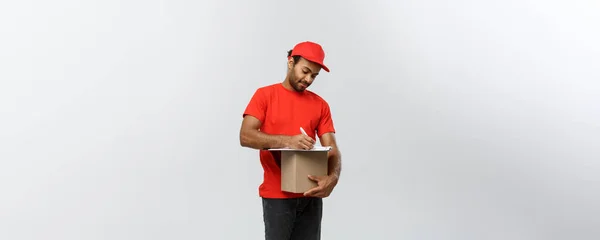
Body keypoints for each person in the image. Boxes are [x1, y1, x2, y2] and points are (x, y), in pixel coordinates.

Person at [239, 41, 342, 240]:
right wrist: (287, 141)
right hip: (277, 197)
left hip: (311, 194)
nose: (308, 79)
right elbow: (245, 136)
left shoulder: (320, 105)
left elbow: (333, 150)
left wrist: (333, 178)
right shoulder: (265, 95)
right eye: (305, 71)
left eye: (314, 75)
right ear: (290, 62)